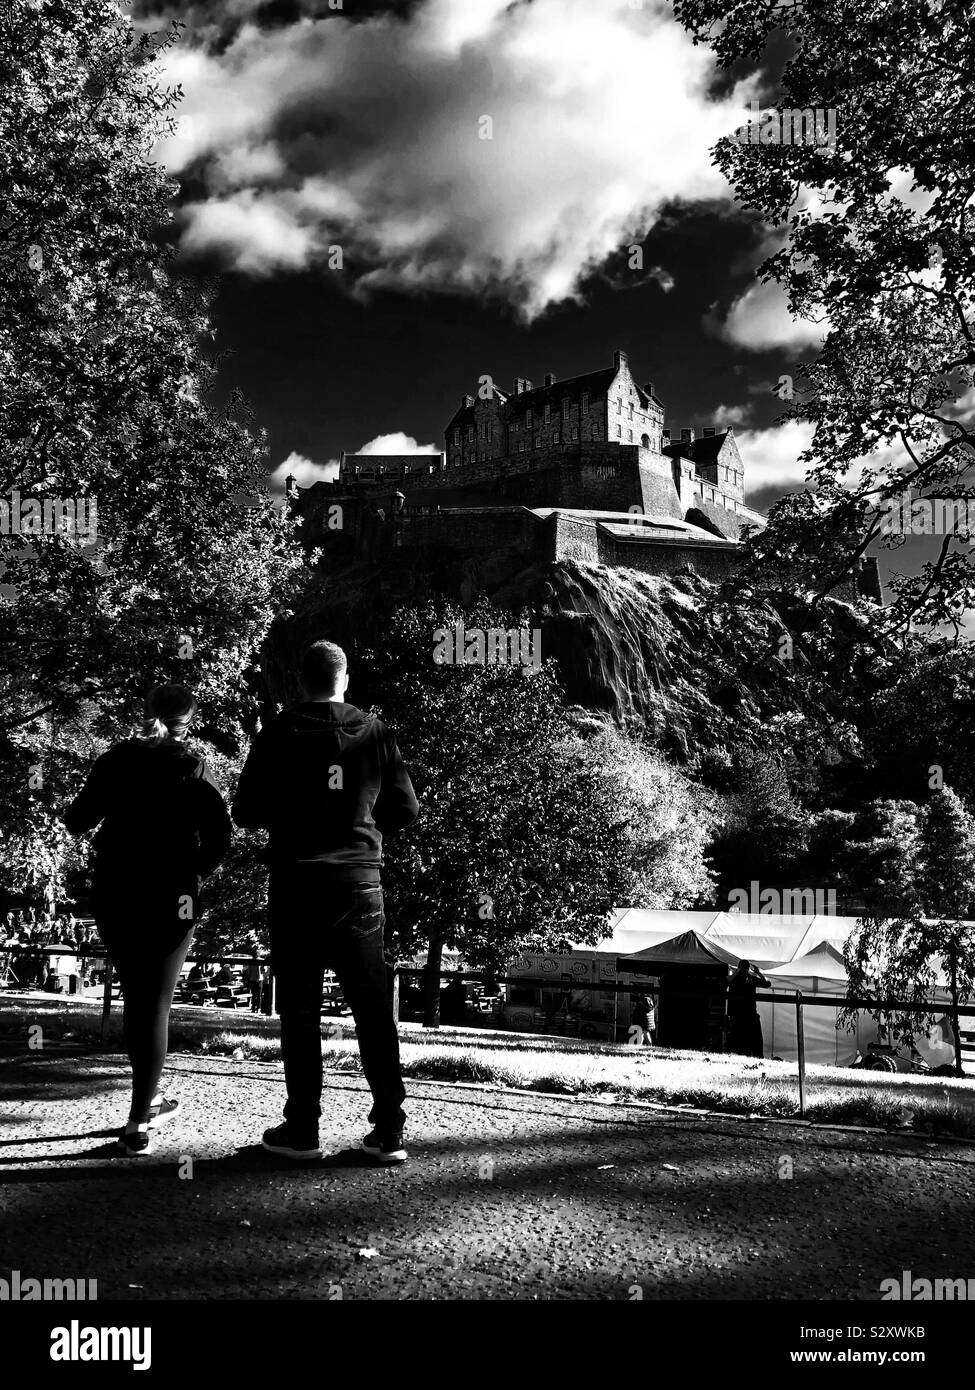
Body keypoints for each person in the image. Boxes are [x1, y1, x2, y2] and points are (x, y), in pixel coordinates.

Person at [233, 639, 419, 1164]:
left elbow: (245, 810)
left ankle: (303, 1127)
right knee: (372, 1008)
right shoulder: (376, 731)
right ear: (346, 678)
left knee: (299, 1008)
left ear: (299, 681)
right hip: (359, 881)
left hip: (296, 882)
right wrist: (360, 828)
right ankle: (388, 1128)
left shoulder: (278, 732)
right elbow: (405, 809)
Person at [63, 683, 232, 1156]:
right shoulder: (193, 765)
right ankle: (139, 1122)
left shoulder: (115, 759)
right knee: (156, 1000)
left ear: (145, 710)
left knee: (137, 995)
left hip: (116, 887)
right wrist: (194, 870)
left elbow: (78, 820)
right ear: (189, 720)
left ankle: (150, 1100)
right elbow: (221, 832)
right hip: (171, 893)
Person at [727, 959, 769, 1058]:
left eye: (745, 969)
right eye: (743, 969)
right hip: (737, 1014)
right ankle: (739, 1055)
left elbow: (767, 984)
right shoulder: (734, 979)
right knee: (739, 1038)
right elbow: (725, 982)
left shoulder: (751, 979)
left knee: (753, 1039)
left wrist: (759, 973)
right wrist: (735, 973)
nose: (744, 971)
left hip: (749, 1013)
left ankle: (754, 1055)